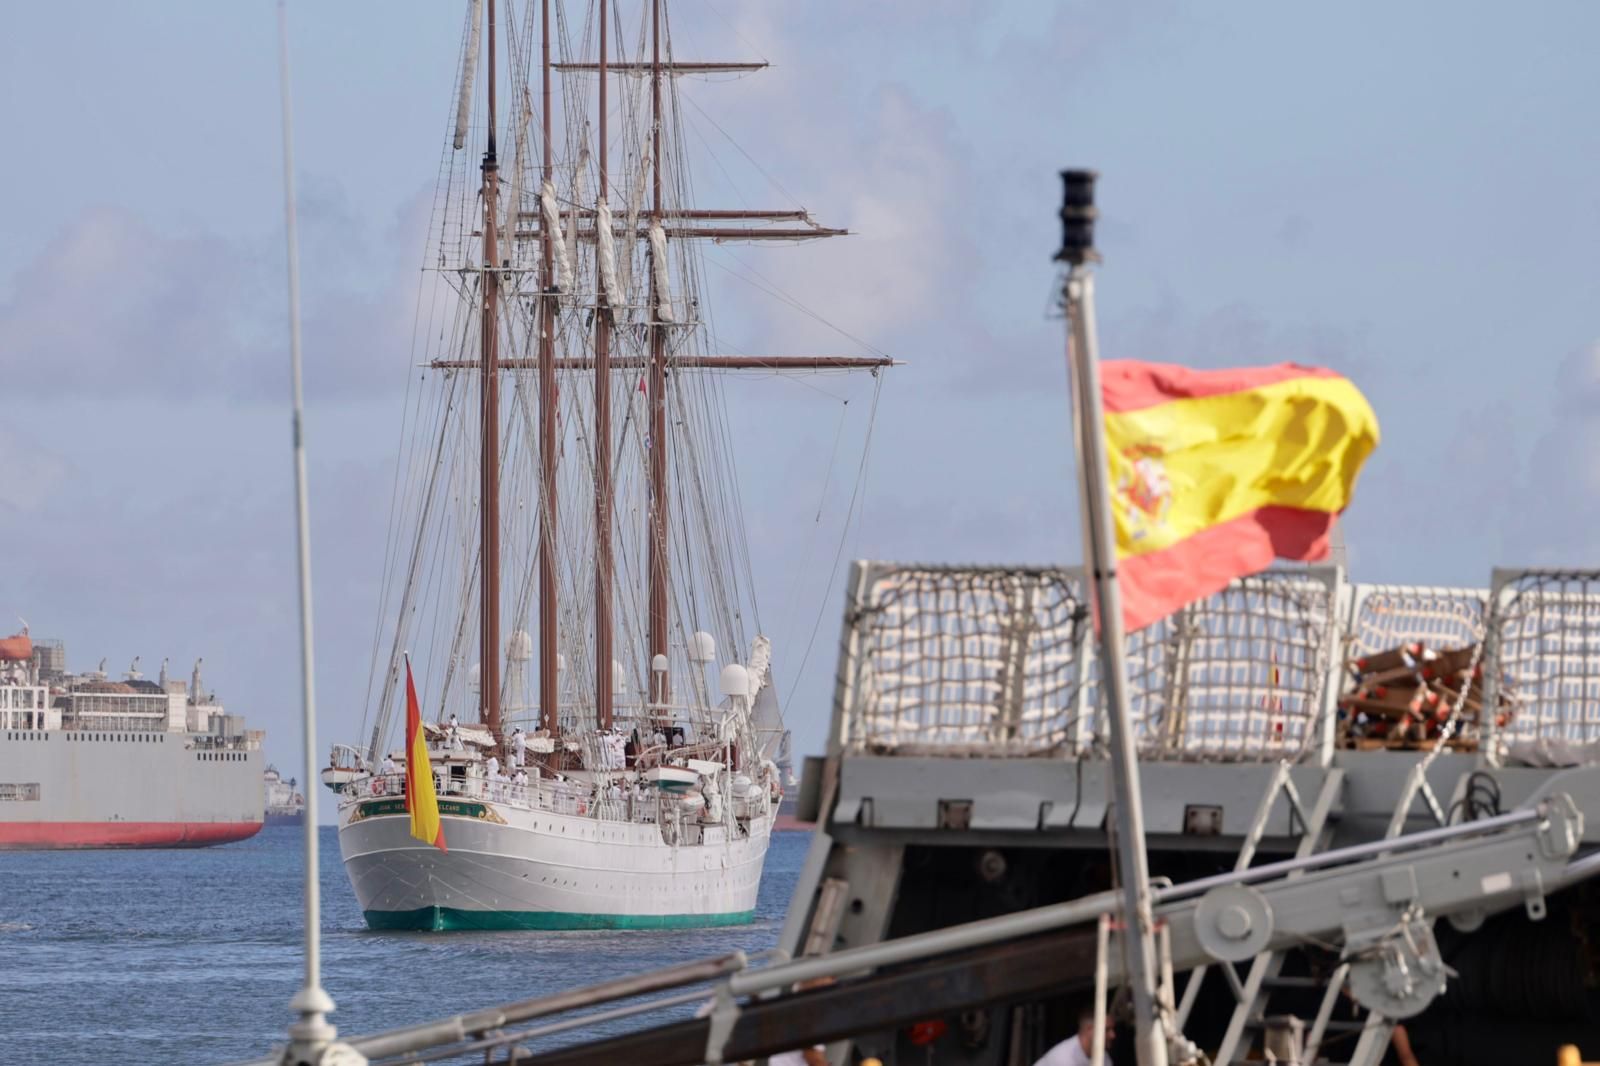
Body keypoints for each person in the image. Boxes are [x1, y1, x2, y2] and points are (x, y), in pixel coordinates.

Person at [1034, 1005, 1111, 1066]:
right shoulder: (1063, 1057)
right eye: (1107, 1030)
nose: (1112, 1035)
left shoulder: (1104, 1057)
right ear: (1089, 1029)